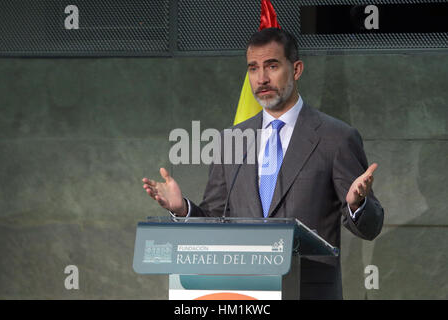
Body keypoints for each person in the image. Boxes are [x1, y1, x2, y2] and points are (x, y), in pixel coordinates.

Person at [142, 28, 384, 299]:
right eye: (253, 68)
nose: (262, 78)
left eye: (272, 66)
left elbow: (371, 227)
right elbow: (215, 218)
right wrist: (183, 209)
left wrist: (357, 205)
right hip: (245, 294)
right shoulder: (230, 140)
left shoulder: (336, 137)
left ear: (297, 69)